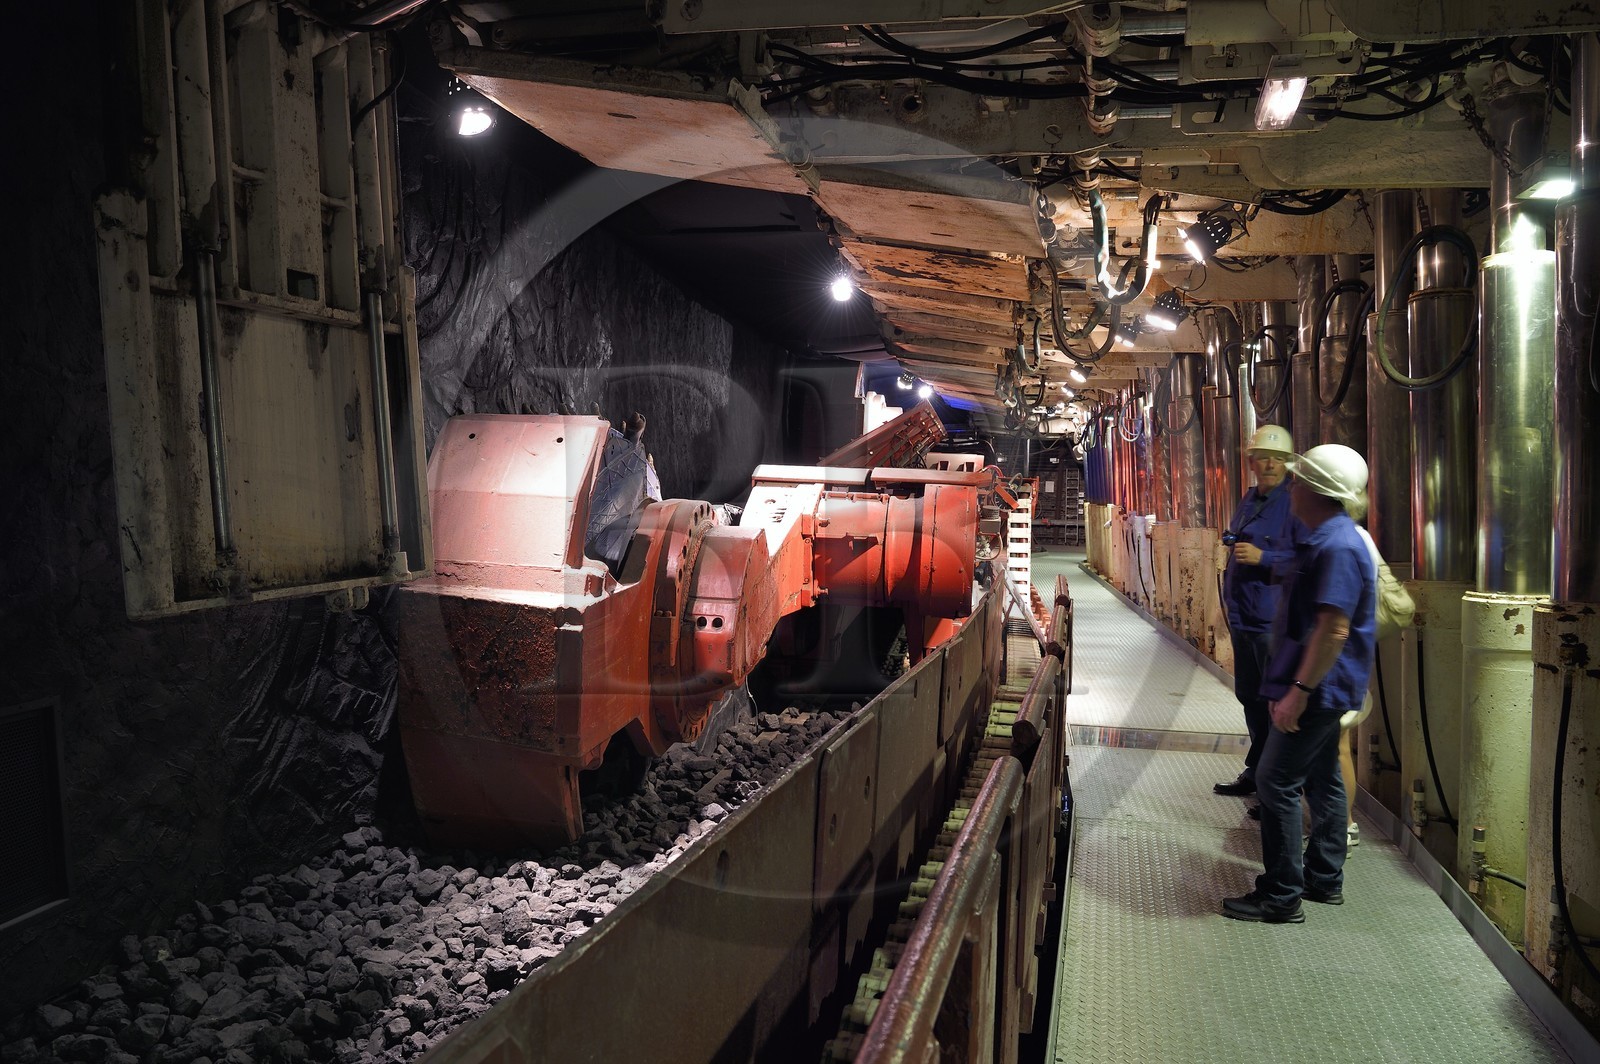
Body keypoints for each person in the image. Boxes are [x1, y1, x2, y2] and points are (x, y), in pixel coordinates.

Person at [1223, 444, 1377, 923]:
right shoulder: (1323, 538)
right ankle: (1324, 878)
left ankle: (1281, 895)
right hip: (1318, 684)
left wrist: (1298, 693)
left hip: (1318, 688)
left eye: (1298, 482)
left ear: (1316, 490)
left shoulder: (1337, 546)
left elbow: (1333, 629)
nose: (1291, 489)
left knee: (1275, 781)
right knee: (1323, 775)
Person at [1213, 425, 1302, 800]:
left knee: (1274, 702)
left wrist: (1265, 557)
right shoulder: (1249, 499)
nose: (1270, 465)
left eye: (1278, 459)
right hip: (1243, 616)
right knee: (1249, 696)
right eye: (1263, 457)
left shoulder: (1295, 503)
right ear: (1251, 462)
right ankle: (1257, 771)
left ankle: (1276, 786)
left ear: (1287, 464)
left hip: (1271, 620)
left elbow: (1306, 560)